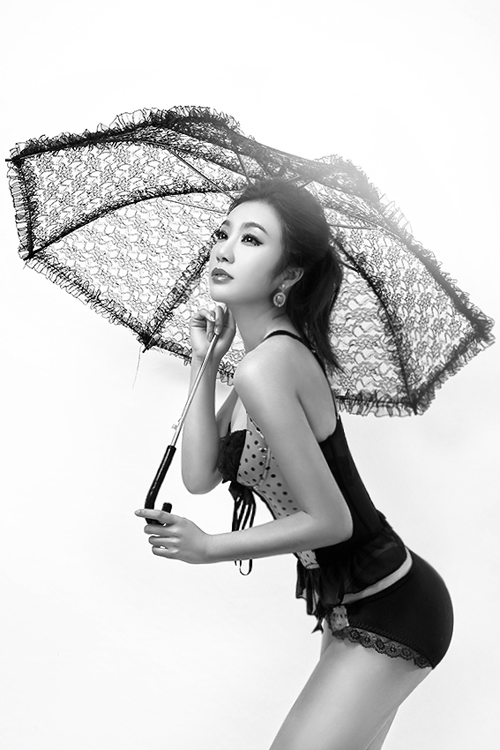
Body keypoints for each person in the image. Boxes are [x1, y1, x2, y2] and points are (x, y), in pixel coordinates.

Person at [135, 178, 454, 750]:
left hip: (392, 605)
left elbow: (332, 521)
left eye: (251, 239)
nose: (225, 249)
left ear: (288, 275)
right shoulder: (259, 362)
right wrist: (205, 362)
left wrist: (208, 547)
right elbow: (200, 475)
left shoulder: (269, 366)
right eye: (224, 232)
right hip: (350, 608)